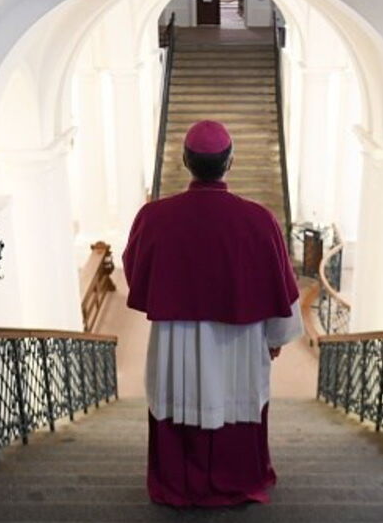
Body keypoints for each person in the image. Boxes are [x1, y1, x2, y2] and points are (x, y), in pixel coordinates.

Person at [122, 120, 303, 507]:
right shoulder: (260, 220)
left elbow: (136, 270)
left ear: (186, 161)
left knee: (178, 400)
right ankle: (235, 478)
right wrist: (274, 338)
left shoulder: (154, 217)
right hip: (239, 343)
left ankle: (178, 482)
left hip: (177, 341)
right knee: (235, 401)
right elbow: (282, 284)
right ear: (230, 162)